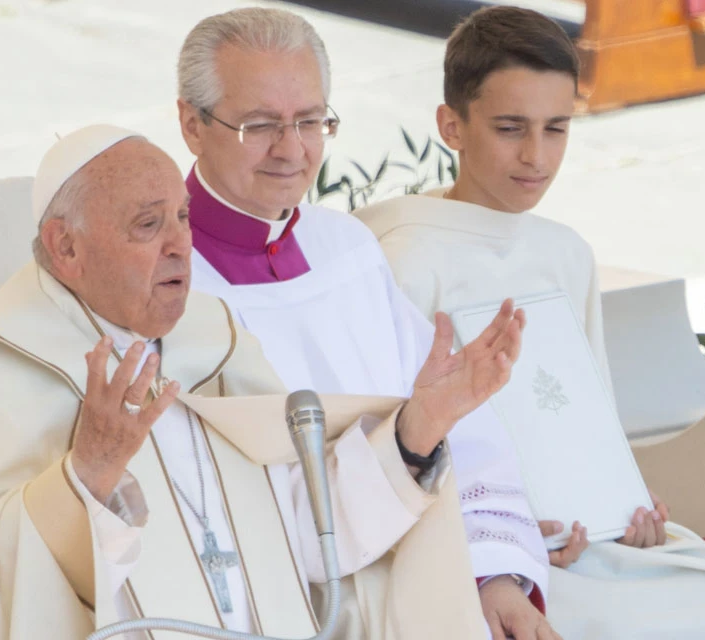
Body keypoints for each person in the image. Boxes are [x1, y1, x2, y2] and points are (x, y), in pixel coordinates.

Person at [0, 124, 522, 639]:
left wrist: (421, 425)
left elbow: (311, 538)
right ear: (66, 247)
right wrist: (87, 478)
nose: (180, 246)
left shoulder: (210, 347)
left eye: (182, 219)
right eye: (147, 225)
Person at [178, 8, 556, 640]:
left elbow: (467, 438)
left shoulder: (345, 250)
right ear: (192, 124)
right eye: (261, 124)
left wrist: (492, 576)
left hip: (432, 568)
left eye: (310, 121)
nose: (292, 150)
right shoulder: (169, 288)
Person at [356, 6, 705, 638]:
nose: (536, 156)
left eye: (557, 129)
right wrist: (500, 551)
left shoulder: (565, 252)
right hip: (471, 558)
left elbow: (590, 422)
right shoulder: (401, 257)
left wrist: (626, 508)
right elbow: (391, 450)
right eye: (510, 128)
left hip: (590, 542)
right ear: (452, 125)